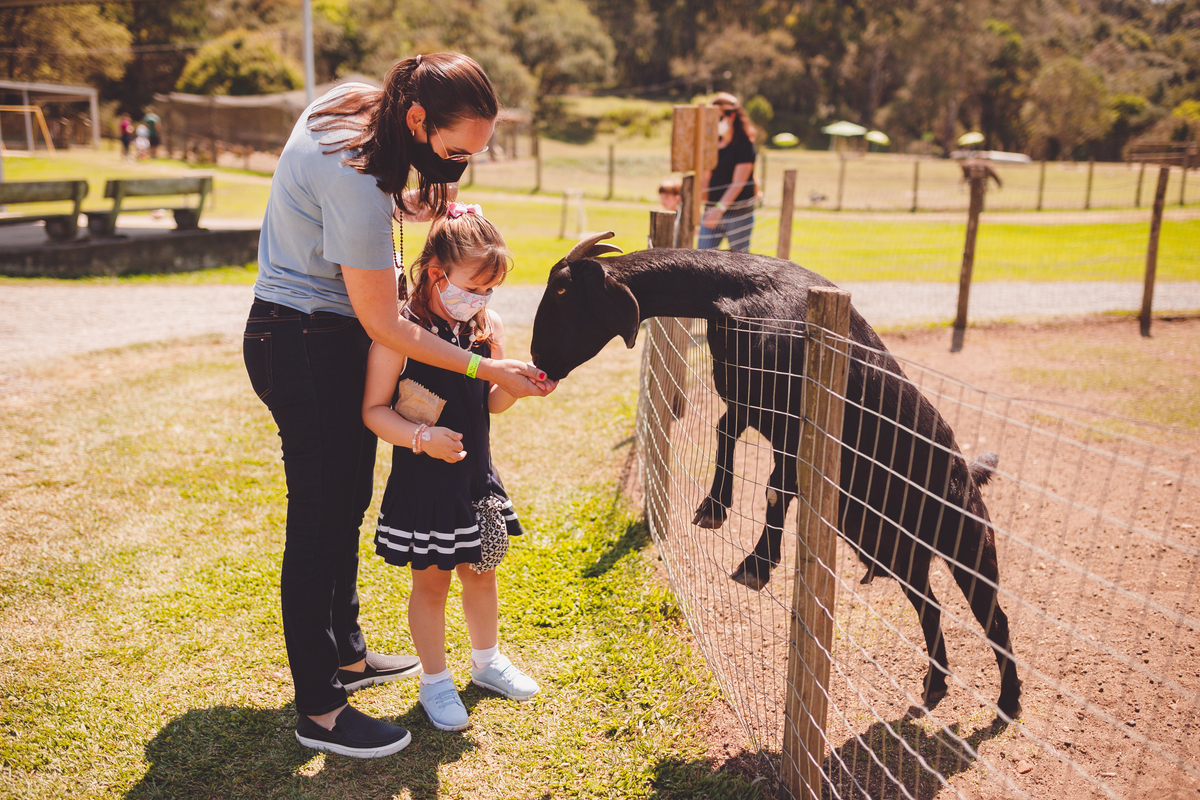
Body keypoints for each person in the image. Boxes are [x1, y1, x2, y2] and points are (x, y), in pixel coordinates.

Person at [242, 52, 551, 760]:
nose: (458, 170)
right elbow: (387, 323)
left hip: (317, 332)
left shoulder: (359, 102)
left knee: (345, 503)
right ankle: (319, 710)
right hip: (303, 342)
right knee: (321, 523)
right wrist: (483, 362)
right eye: (453, 153)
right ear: (416, 118)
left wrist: (408, 205)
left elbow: (346, 211)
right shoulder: (354, 178)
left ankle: (348, 656)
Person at [364, 203, 543, 733]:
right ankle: (435, 682)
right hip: (426, 484)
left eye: (491, 291)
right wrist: (421, 437)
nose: (482, 300)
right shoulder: (399, 332)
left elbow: (488, 402)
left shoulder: (487, 327)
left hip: (475, 479)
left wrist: (517, 387)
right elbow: (373, 410)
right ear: (437, 274)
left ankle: (487, 662)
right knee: (433, 583)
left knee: (482, 570)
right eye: (474, 287)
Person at [698, 93, 758, 252]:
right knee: (701, 259)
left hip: (738, 214)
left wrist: (719, 209)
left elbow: (738, 183)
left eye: (717, 117)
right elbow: (705, 179)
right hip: (710, 211)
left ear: (731, 116)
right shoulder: (711, 144)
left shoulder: (745, 145)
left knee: (740, 263)